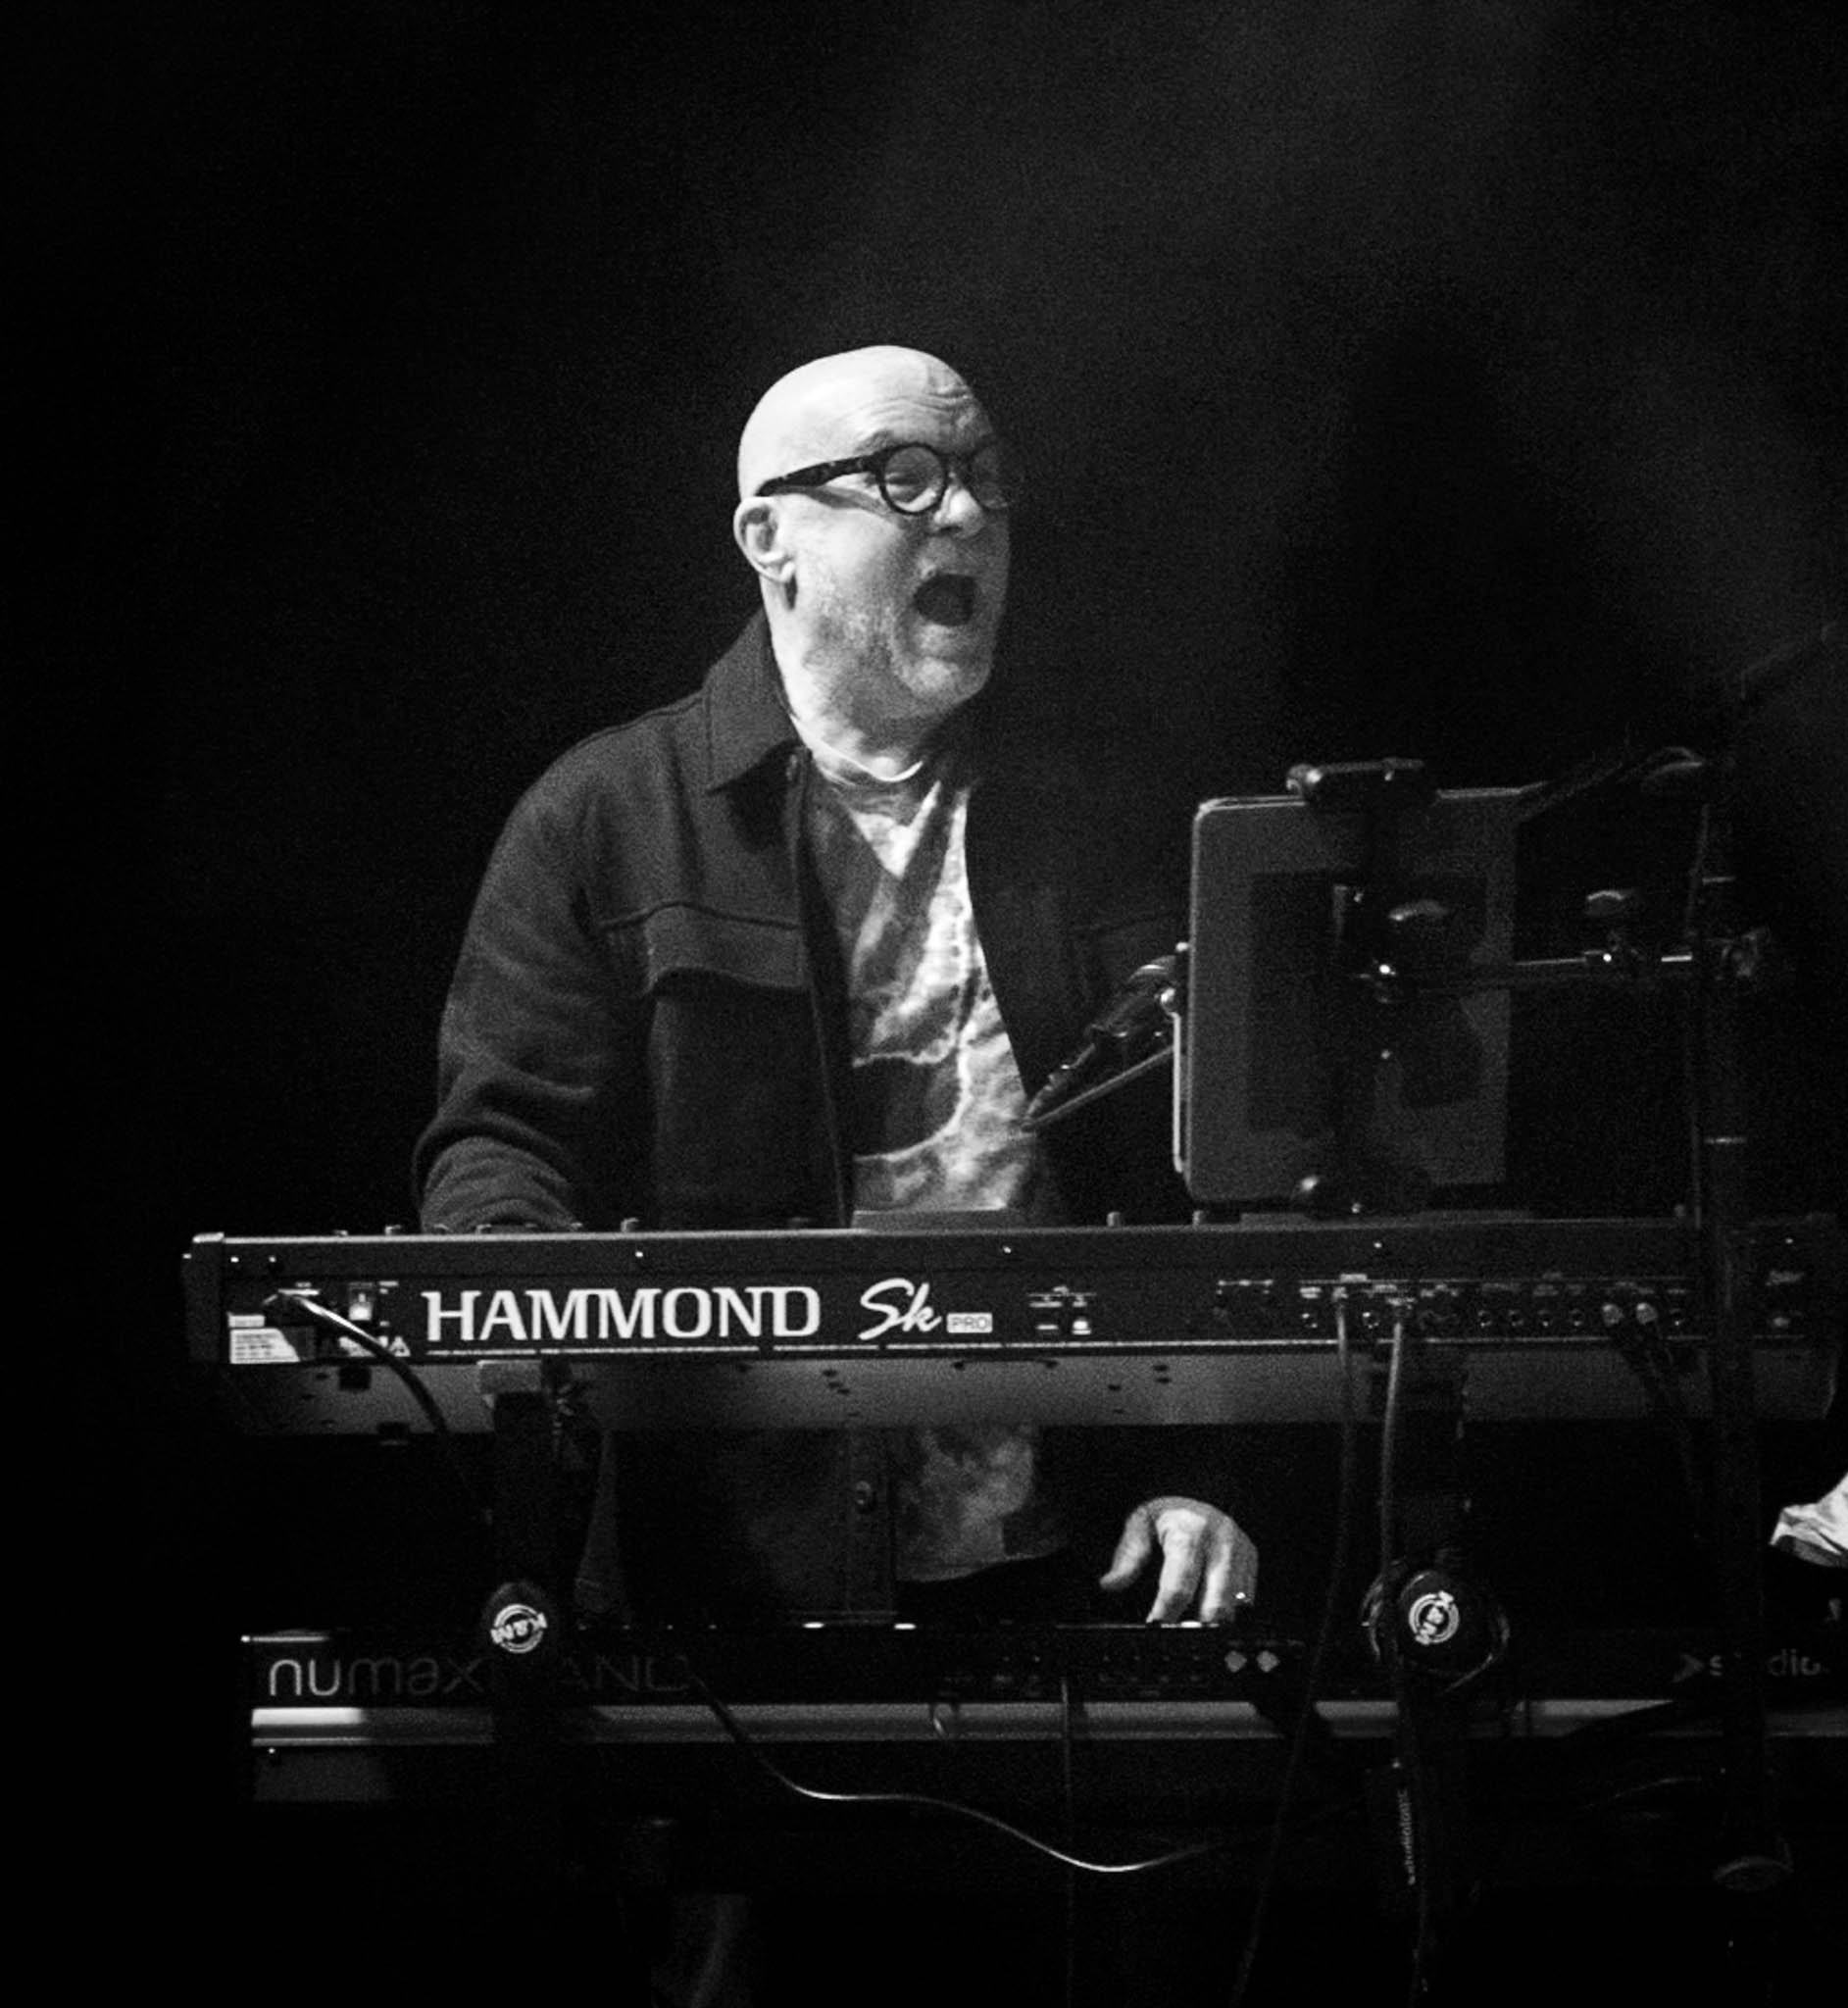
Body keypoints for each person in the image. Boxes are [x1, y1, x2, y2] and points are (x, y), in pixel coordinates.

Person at [414, 344, 1258, 1637]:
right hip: (733, 1586)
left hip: (1085, 1572)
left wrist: (1206, 1470)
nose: (966, 513)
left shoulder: (1104, 814)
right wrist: (536, 1337)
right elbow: (504, 1151)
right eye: (905, 478)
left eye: (983, 476)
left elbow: (1228, 1184)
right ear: (772, 539)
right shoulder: (607, 819)